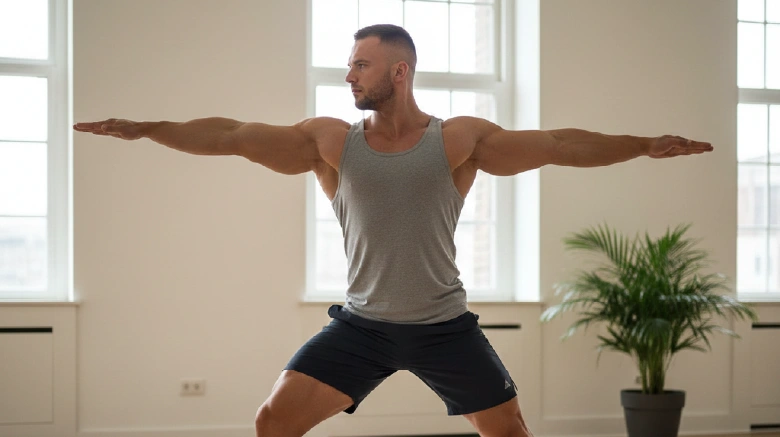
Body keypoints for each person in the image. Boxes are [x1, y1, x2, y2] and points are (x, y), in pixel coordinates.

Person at [74, 23, 712, 437]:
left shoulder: (458, 139)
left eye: (360, 64)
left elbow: (559, 144)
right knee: (272, 423)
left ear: (398, 71)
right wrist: (147, 128)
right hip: (362, 328)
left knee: (511, 432)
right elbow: (231, 136)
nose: (348, 75)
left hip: (444, 327)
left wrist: (643, 145)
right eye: (349, 65)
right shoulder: (331, 141)